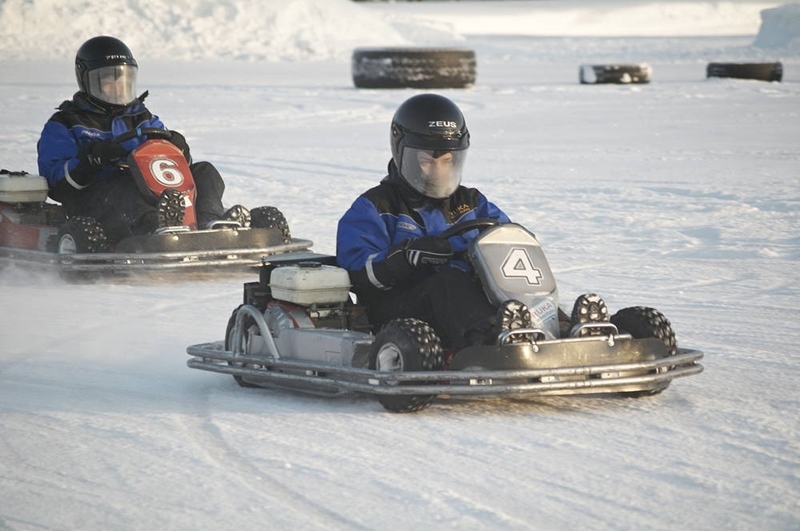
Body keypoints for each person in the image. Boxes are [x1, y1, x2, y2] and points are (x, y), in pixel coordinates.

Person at [336, 93, 521, 350]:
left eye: (447, 161)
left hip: (468, 303)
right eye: (426, 161)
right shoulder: (376, 207)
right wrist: (405, 257)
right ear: (403, 154)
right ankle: (489, 345)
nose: (437, 171)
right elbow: (356, 269)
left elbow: (508, 239)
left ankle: (564, 330)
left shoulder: (473, 202)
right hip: (400, 311)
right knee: (447, 280)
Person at [37, 35, 248, 244]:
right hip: (96, 201)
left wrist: (180, 150)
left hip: (145, 191)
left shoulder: (143, 118)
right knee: (122, 184)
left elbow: (170, 170)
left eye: (123, 79)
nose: (117, 86)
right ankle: (155, 229)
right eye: (108, 80)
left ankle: (210, 221)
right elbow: (56, 183)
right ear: (87, 80)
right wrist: (90, 160)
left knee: (204, 171)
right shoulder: (65, 122)